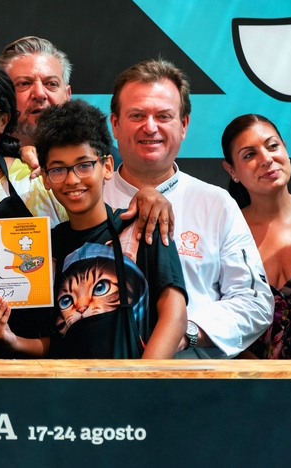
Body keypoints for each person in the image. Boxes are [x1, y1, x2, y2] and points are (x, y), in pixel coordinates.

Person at [0, 60, 169, 359]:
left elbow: (97, 207)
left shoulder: (37, 181)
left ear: (3, 120)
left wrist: (148, 194)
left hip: (24, 373)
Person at [0, 100, 187, 359]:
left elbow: (175, 315)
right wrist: (10, 339)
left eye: (84, 165)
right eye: (58, 169)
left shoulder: (142, 226)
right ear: (46, 178)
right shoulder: (46, 247)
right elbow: (59, 341)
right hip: (66, 383)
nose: (72, 179)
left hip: (134, 381)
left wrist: (141, 377)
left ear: (107, 167)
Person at [103, 59, 273, 358]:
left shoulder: (216, 204)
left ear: (183, 125)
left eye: (164, 116)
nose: (150, 127)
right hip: (96, 373)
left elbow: (255, 302)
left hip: (195, 373)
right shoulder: (86, 201)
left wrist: (185, 332)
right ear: (115, 124)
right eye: (137, 115)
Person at [221, 114, 291, 359]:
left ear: (285, 149)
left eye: (273, 146)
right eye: (249, 155)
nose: (266, 159)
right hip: (244, 379)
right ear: (231, 170)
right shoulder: (223, 230)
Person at [0, 36, 121, 166]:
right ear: (3, 97)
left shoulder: (103, 158)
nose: (40, 94)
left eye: (51, 83)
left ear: (68, 94)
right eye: (24, 84)